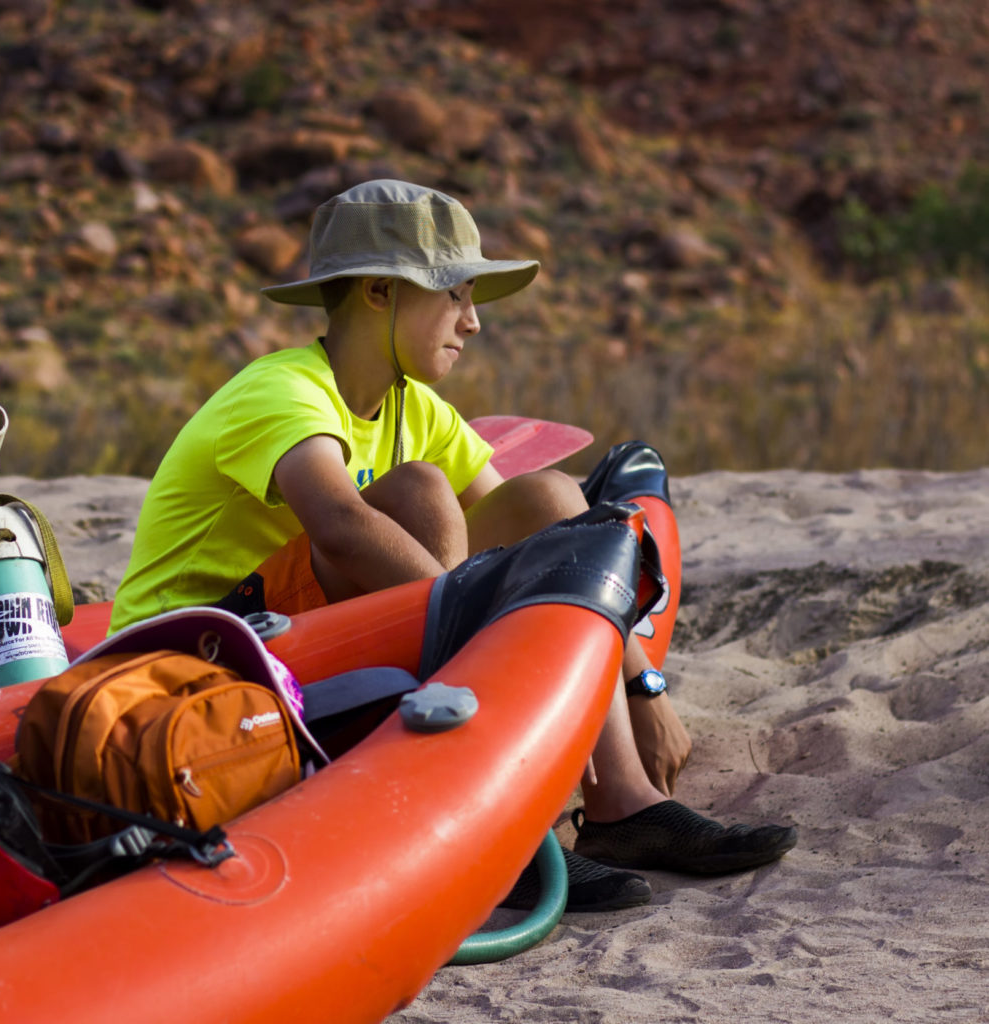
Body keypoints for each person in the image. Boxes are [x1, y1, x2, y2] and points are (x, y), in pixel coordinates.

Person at [110, 179, 795, 912]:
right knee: (418, 493)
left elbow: (562, 538)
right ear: (380, 292)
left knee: (552, 498)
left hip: (310, 643)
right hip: (193, 659)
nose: (473, 323)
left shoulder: (416, 408)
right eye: (457, 295)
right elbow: (339, 523)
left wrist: (640, 682)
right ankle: (492, 821)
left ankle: (621, 807)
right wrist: (482, 666)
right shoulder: (279, 390)